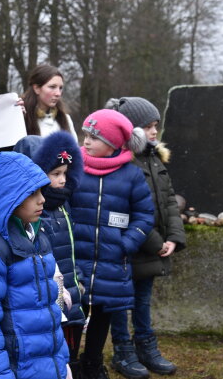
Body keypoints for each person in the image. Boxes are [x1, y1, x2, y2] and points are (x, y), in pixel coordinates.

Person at [0, 151, 70, 379]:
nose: (42, 199)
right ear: (9, 197)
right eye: (32, 193)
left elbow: (51, 311)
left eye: (41, 191)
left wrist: (62, 362)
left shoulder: (38, 237)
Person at [69, 109, 154, 379]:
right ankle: (68, 363)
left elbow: (144, 214)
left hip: (112, 259)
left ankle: (93, 361)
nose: (86, 141)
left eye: (94, 136)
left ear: (114, 143)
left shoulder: (132, 176)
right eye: (85, 135)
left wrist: (127, 243)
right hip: (76, 258)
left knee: (104, 311)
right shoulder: (74, 168)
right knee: (71, 312)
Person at [105, 97, 186, 379]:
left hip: (152, 248)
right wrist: (155, 241)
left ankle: (146, 347)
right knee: (119, 303)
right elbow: (126, 210)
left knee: (142, 300)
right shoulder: (121, 163)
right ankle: (123, 351)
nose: (154, 132)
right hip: (129, 247)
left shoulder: (154, 159)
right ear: (131, 130)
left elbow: (169, 203)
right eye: (148, 127)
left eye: (156, 126)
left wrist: (173, 237)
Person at [31, 131, 86, 378]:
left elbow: (72, 247)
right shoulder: (36, 211)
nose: (62, 180)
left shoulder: (64, 204)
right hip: (51, 296)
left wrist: (79, 279)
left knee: (70, 351)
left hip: (72, 293)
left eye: (65, 173)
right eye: (55, 174)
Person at [21, 64, 78, 142]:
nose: (58, 93)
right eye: (52, 87)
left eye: (60, 88)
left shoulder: (65, 119)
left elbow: (74, 152)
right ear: (37, 88)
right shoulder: (21, 117)